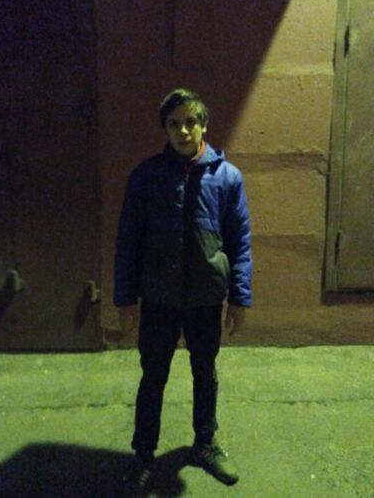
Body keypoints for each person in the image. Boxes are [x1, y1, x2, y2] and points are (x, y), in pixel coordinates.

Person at [114, 88, 252, 495]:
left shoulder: (227, 178)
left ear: (204, 125)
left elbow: (239, 241)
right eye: (174, 123)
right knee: (153, 377)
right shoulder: (146, 177)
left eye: (191, 122)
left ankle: (205, 444)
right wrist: (126, 300)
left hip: (206, 299)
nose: (183, 130)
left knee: (205, 373)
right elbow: (128, 242)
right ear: (165, 129)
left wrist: (239, 298)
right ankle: (143, 455)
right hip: (159, 298)